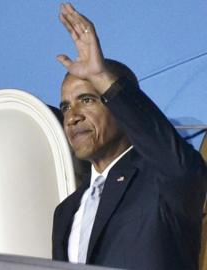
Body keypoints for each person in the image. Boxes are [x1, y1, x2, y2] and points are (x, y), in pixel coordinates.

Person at [51, 3, 207, 270]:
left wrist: (101, 75)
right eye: (66, 107)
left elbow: (178, 164)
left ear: (119, 107)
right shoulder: (66, 211)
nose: (72, 116)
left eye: (87, 100)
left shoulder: (161, 178)